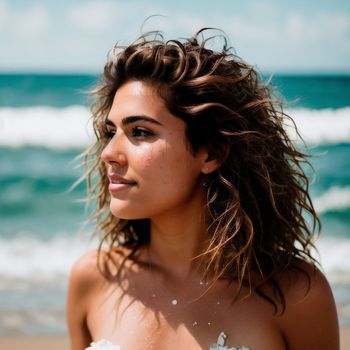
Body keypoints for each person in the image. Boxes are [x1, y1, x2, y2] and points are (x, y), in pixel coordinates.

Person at [66, 28, 339, 350]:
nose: (109, 152)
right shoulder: (94, 280)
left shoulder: (296, 295)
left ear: (211, 153)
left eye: (140, 132)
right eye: (111, 132)